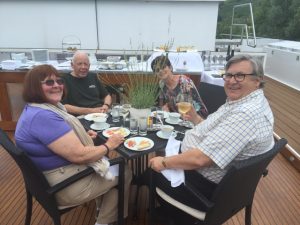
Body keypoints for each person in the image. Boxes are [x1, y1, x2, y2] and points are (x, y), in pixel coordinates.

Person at [149, 54, 274, 224]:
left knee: (150, 171)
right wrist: (196, 119)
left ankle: (175, 215)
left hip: (202, 188)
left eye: (240, 75)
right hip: (213, 174)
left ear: (257, 80)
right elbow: (217, 132)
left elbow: (200, 159)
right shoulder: (248, 102)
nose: (231, 81)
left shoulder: (245, 115)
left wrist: (164, 162)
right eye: (228, 75)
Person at [15, 65, 132, 225]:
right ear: (34, 87)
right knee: (124, 170)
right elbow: (79, 156)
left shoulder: (35, 110)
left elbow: (57, 140)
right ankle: (104, 222)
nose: (56, 85)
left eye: (59, 81)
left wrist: (84, 136)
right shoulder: (43, 117)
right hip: (65, 186)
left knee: (108, 166)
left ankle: (102, 211)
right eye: (49, 82)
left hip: (48, 179)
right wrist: (109, 145)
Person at [62, 51, 112, 115]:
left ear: (89, 65)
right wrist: (91, 111)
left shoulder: (93, 76)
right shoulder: (65, 80)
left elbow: (106, 95)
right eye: (79, 64)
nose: (83, 67)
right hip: (80, 117)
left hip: (100, 113)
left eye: (86, 64)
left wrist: (106, 105)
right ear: (72, 65)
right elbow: (64, 106)